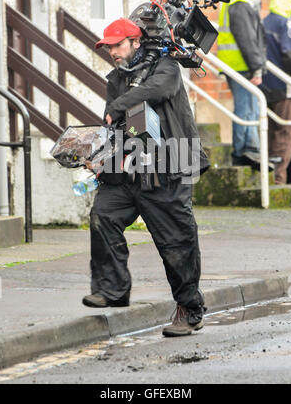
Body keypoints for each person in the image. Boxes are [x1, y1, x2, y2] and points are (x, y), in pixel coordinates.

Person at [82, 17, 210, 337]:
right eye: (108, 46)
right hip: (130, 169)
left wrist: (121, 105)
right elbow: (117, 128)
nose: (112, 51)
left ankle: (190, 309)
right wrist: (97, 157)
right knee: (103, 215)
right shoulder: (118, 79)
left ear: (136, 42)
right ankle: (113, 290)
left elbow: (157, 91)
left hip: (168, 166)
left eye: (118, 44)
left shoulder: (165, 68)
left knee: (176, 242)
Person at [217, 0, 268, 170]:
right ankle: (241, 151)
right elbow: (247, 40)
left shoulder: (236, 2)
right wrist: (257, 67)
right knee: (246, 109)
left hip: (239, 65)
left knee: (251, 109)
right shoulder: (240, 5)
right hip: (241, 67)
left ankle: (252, 149)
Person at [261, 0, 291, 185]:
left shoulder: (265, 22)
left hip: (265, 86)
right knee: (287, 133)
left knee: (272, 132)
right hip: (284, 88)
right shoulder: (286, 24)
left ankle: (269, 176)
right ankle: (279, 181)